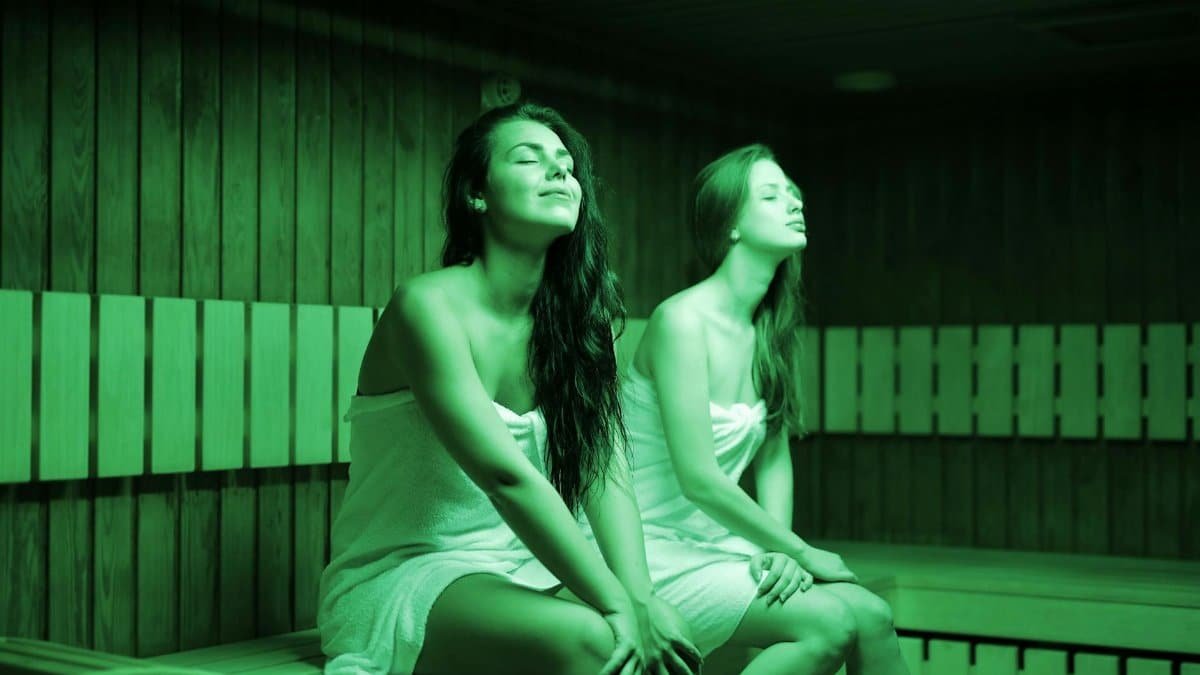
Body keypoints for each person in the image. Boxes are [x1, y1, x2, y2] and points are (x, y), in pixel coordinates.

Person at [316, 102, 703, 675]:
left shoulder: (580, 323)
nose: (559, 174)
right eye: (530, 159)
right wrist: (619, 605)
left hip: (524, 568)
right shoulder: (426, 307)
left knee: (670, 639)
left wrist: (638, 593)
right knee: (603, 641)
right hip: (408, 572)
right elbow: (505, 477)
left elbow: (603, 468)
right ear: (478, 193)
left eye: (567, 167)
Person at [621, 144, 909, 674]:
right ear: (729, 225)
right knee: (832, 625)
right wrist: (799, 549)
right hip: (648, 547)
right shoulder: (681, 321)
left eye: (794, 195)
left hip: (717, 540)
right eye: (772, 196)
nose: (794, 204)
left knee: (873, 615)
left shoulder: (772, 328)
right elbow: (699, 479)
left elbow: (774, 453)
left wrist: (777, 549)